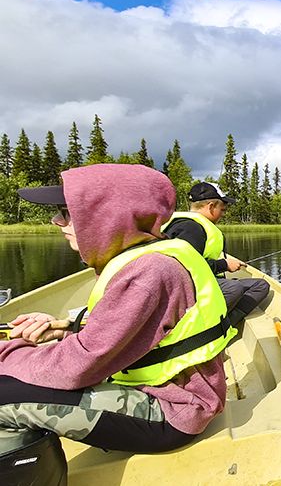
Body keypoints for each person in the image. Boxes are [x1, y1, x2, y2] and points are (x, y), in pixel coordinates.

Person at [0, 164, 235, 455]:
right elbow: (121, 334)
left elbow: (79, 365)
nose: (56, 221)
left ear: (107, 216)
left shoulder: (149, 272)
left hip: (173, 409)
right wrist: (62, 328)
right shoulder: (145, 260)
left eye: (66, 212)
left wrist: (8, 352)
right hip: (163, 393)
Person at [161, 182, 270, 326]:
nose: (223, 214)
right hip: (184, 293)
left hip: (199, 287)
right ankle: (209, 329)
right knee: (234, 288)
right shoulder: (192, 229)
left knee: (260, 285)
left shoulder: (189, 224)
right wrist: (223, 264)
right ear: (211, 206)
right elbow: (183, 268)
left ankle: (225, 324)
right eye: (222, 210)